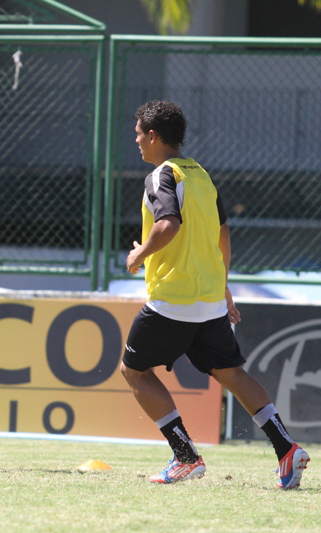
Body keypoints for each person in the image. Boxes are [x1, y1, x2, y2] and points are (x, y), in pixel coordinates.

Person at [121, 100, 310, 488]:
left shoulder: (161, 176)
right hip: (207, 299)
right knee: (232, 374)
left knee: (134, 372)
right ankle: (286, 447)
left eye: (139, 132)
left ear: (153, 135)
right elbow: (223, 234)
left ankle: (185, 456)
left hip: (173, 299)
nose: (136, 138)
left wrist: (140, 253)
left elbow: (168, 224)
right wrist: (222, 286)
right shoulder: (202, 175)